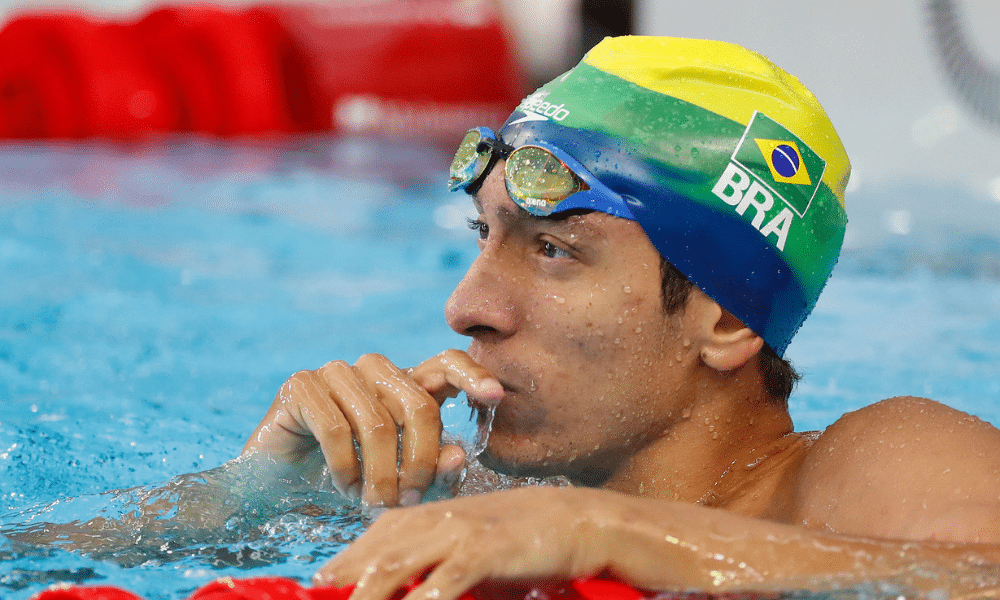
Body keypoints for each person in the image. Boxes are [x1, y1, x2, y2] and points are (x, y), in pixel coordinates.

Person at [242, 36, 1000, 598]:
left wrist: (611, 531)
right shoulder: (469, 498)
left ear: (727, 319)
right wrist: (261, 490)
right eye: (483, 233)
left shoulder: (870, 467)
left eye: (553, 249)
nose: (466, 308)